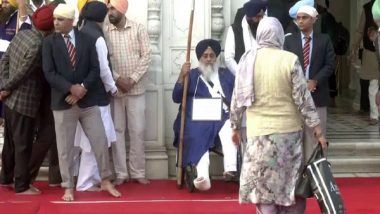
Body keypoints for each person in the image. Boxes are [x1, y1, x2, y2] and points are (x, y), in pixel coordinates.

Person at [230, 17, 327, 214]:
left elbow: (237, 100)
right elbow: (304, 101)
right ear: (280, 35)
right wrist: (318, 131)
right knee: (289, 186)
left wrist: (234, 126)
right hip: (288, 136)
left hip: (258, 138)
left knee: (264, 188)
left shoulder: (248, 60)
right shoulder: (289, 59)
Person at [42, 3, 120, 201]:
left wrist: (82, 89)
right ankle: (68, 186)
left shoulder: (87, 39)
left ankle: (105, 180)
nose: (56, 23)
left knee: (100, 141)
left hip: (88, 100)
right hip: (63, 102)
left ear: (71, 21)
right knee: (65, 148)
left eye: (60, 19)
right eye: (55, 19)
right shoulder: (49, 42)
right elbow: (49, 73)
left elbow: (95, 68)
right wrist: (70, 88)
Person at [0, 5, 56, 195]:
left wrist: (4, 85)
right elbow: (25, 72)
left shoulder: (21, 34)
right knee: (23, 144)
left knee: (10, 143)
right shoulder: (39, 44)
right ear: (50, 27)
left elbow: (4, 61)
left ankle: (5, 178)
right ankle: (21, 186)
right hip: (24, 102)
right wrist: (6, 87)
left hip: (9, 101)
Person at [173, 39, 237, 191]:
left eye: (212, 55)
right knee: (198, 132)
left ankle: (231, 168)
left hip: (222, 117)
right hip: (196, 118)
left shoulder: (226, 74)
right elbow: (176, 97)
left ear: (216, 57)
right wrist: (182, 76)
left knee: (230, 126)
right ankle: (202, 177)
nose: (208, 59)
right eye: (205, 56)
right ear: (199, 58)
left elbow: (237, 96)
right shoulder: (191, 75)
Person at [103, 0, 151, 185]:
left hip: (136, 89)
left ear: (122, 9)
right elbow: (103, 60)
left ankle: (138, 172)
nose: (110, 12)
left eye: (113, 8)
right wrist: (117, 79)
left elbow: (146, 56)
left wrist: (132, 79)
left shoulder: (138, 28)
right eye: (108, 9)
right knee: (117, 131)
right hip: (115, 89)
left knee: (137, 131)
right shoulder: (105, 31)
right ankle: (121, 173)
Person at [74, 1, 118, 192]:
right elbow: (103, 69)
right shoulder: (97, 37)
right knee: (97, 140)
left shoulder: (80, 33)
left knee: (90, 140)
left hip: (83, 95)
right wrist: (113, 88)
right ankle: (85, 182)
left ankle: (93, 179)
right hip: (96, 95)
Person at [283, 5, 335, 161]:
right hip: (295, 99)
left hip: (317, 97)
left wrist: (315, 81)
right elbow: (285, 66)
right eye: (298, 18)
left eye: (304, 17)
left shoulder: (324, 40)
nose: (300, 21)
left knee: (317, 139)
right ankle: (298, 179)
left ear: (314, 19)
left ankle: (317, 177)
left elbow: (330, 64)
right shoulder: (289, 41)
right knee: (295, 140)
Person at [351, 0, 379, 125]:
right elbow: (360, 30)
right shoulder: (367, 8)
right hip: (371, 53)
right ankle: (374, 115)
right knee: (373, 85)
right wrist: (353, 47)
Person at [224, 0, 267, 75]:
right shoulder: (235, 29)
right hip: (242, 76)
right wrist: (241, 75)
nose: (260, 19)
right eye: (257, 16)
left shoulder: (265, 27)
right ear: (249, 16)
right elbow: (228, 58)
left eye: (262, 16)